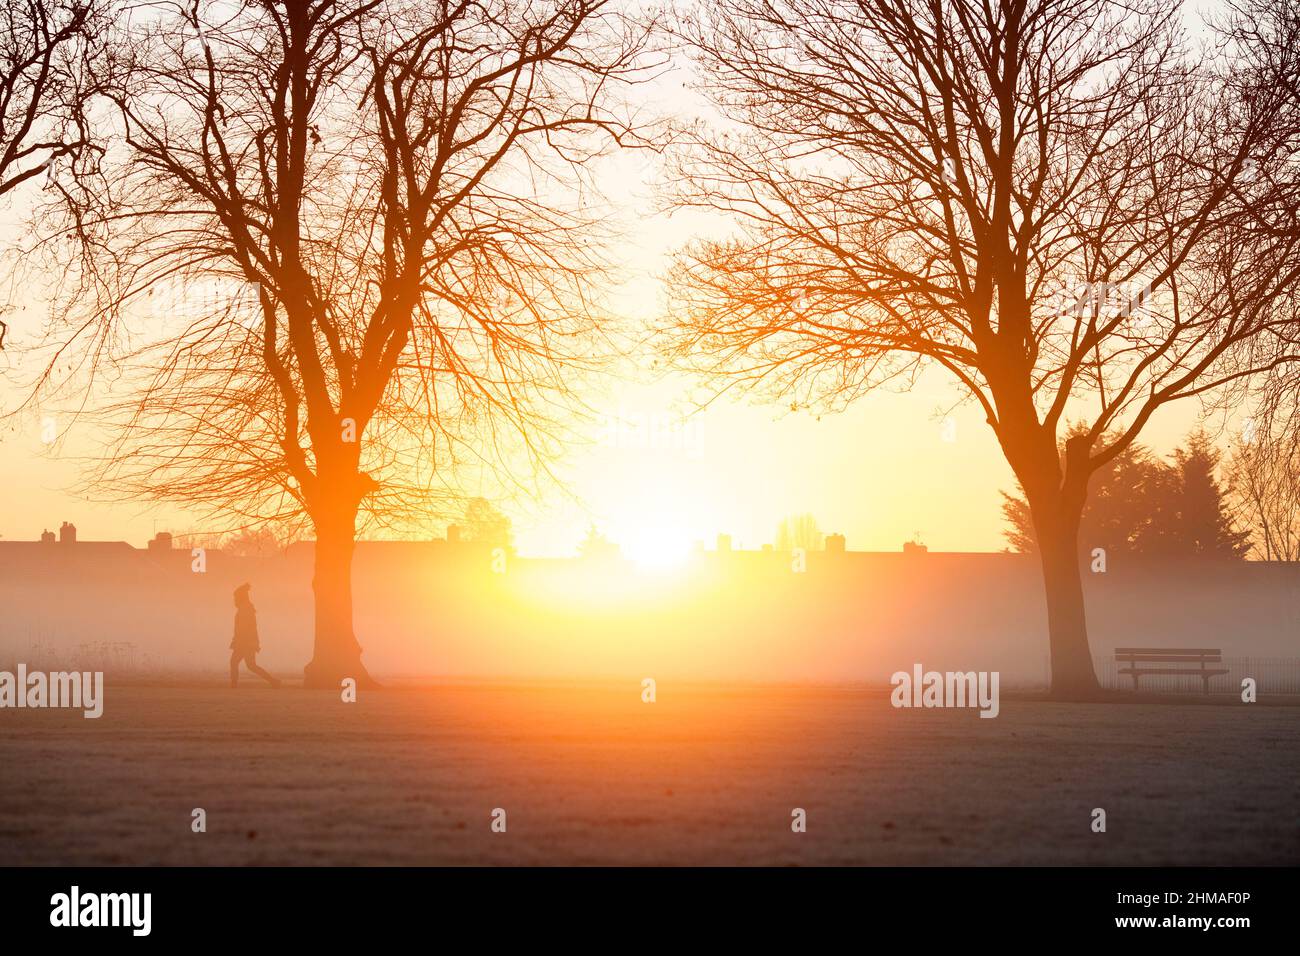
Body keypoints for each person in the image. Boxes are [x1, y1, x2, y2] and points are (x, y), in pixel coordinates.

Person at [230, 583, 281, 688]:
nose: (234, 600)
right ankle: (273, 681)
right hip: (246, 642)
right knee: (249, 665)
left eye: (236, 597)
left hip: (245, 643)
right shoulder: (246, 608)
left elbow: (244, 629)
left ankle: (234, 685)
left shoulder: (245, 610)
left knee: (239, 663)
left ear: (241, 597)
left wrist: (239, 641)